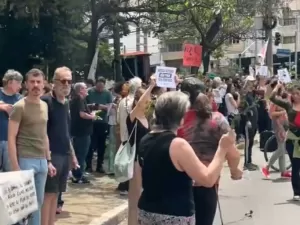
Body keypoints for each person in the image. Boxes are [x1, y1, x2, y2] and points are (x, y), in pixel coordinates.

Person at [137, 91, 236, 225]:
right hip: (174, 215)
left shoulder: (146, 139)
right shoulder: (178, 145)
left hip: (147, 212)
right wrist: (222, 148)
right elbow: (207, 179)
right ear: (181, 116)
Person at [178, 78, 241, 225]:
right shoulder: (217, 119)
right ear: (206, 95)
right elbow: (233, 153)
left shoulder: (174, 120)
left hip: (178, 184)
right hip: (206, 184)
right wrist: (234, 171)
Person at [8, 68, 56, 225]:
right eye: (32, 82)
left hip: (42, 161)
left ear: (44, 84)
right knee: (22, 209)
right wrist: (15, 167)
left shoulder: (44, 105)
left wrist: (48, 160)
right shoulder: (19, 106)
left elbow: (44, 135)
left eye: (39, 82)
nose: (36, 85)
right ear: (26, 85)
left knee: (37, 206)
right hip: (25, 160)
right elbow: (11, 137)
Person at [41, 67, 79, 225]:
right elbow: (41, 132)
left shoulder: (66, 103)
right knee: (48, 194)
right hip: (51, 154)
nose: (67, 84)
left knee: (56, 194)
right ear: (54, 83)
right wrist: (47, 159)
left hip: (64, 154)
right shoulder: (45, 101)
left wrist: (73, 156)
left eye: (69, 81)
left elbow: (66, 133)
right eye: (63, 81)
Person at [269, 81, 300, 200]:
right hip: (292, 140)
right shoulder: (288, 105)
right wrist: (277, 87)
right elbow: (271, 98)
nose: (295, 96)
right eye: (294, 94)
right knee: (296, 166)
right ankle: (297, 192)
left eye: (298, 93)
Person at [116, 77, 142, 195]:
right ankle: (126, 185)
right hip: (133, 135)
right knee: (131, 160)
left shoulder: (122, 101)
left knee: (126, 159)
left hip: (124, 134)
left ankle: (123, 184)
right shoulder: (135, 103)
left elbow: (117, 119)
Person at [70, 82, 95, 183]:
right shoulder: (79, 99)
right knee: (81, 154)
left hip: (78, 131)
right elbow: (82, 114)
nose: (87, 89)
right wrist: (92, 116)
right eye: (85, 88)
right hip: (82, 132)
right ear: (80, 90)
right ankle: (78, 175)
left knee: (79, 154)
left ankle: (77, 173)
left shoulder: (77, 100)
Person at [86, 77, 112, 173]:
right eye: (98, 86)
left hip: (103, 122)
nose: (100, 89)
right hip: (91, 121)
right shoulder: (89, 92)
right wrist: (93, 105)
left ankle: (99, 166)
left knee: (102, 145)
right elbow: (84, 105)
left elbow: (109, 107)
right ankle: (88, 165)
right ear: (95, 84)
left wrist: (101, 106)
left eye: (102, 87)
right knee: (91, 144)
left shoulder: (107, 93)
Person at [0, 69, 23, 172]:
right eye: (18, 83)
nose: (20, 86)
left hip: (12, 142)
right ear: (9, 82)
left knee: (10, 175)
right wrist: (2, 107)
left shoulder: (20, 99)